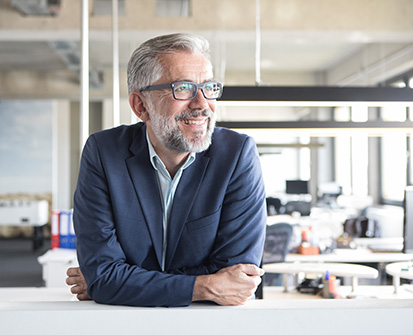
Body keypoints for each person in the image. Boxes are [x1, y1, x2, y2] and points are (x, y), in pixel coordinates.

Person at [66, 33, 267, 307]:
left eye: (208, 87)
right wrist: (206, 285)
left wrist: (121, 282)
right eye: (183, 88)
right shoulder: (104, 152)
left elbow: (236, 279)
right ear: (141, 106)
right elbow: (104, 277)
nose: (201, 104)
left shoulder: (237, 154)